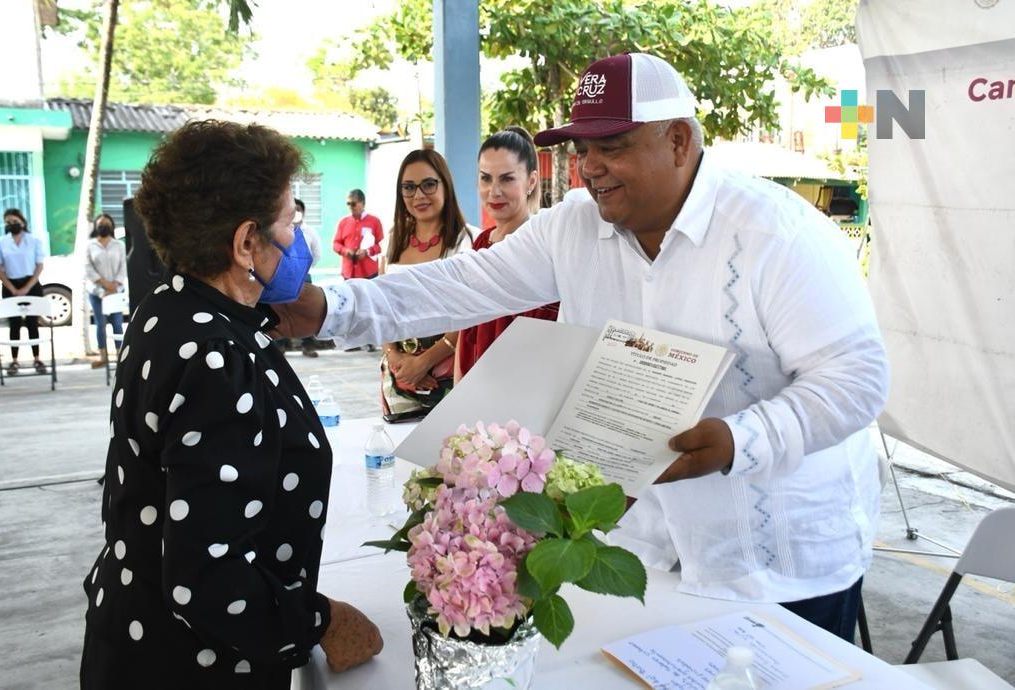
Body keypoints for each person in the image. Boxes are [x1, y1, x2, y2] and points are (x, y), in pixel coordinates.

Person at [271, 53, 889, 643]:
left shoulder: (776, 235)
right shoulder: (576, 225)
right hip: (640, 547)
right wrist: (334, 309)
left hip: (774, 561)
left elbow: (855, 379)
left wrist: (739, 441)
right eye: (581, 149)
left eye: (612, 147)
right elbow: (464, 284)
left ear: (678, 140)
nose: (588, 167)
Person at [79, 120, 382, 689]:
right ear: (246, 242)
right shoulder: (216, 358)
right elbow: (207, 579)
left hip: (136, 635)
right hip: (193, 665)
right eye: (291, 223)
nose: (300, 241)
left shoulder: (169, 308)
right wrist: (319, 622)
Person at [455, 126, 559, 382]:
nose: (494, 191)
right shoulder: (481, 241)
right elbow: (466, 328)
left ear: (531, 181)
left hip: (520, 391)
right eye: (485, 178)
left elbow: (547, 340)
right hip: (472, 390)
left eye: (507, 178)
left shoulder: (542, 247)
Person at [377, 149, 474, 422]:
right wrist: (394, 356)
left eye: (429, 184)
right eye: (408, 187)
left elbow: (470, 314)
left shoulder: (465, 241)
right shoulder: (394, 238)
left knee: (448, 454)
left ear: (445, 184)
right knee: (397, 453)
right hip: (398, 376)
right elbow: (381, 306)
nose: (418, 195)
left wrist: (424, 362)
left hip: (447, 372)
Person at [0, 208, 48, 375]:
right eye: (8, 223)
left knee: (32, 323)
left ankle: (37, 359)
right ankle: (14, 361)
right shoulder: (0, 242)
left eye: (15, 222)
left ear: (23, 223)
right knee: (14, 325)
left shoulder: (34, 241)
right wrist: (12, 288)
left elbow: (39, 266)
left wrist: (26, 288)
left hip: (30, 284)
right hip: (10, 285)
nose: (12, 225)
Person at [332, 189, 383, 352]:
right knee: (351, 307)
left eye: (353, 203)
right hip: (349, 272)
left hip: (368, 271)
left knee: (367, 307)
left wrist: (367, 252)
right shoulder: (343, 222)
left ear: (362, 203)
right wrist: (345, 251)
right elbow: (335, 244)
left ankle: (369, 340)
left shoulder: (374, 222)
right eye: (348, 204)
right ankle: (351, 341)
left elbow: (381, 245)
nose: (351, 207)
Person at [85, 213, 127, 369]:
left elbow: (123, 267)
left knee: (117, 323)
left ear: (112, 226)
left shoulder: (119, 245)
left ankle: (120, 356)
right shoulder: (90, 245)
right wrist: (104, 284)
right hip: (96, 291)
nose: (104, 226)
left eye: (107, 224)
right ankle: (103, 357)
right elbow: (88, 268)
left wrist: (114, 285)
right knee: (100, 323)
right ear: (96, 226)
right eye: (101, 224)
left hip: (115, 291)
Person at [294, 198, 322, 358]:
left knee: (306, 311)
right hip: (284, 278)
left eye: (298, 209)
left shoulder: (309, 232)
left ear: (303, 212)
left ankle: (308, 345)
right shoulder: (282, 230)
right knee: (279, 309)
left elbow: (317, 255)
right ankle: (280, 346)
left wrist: (305, 269)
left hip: (304, 277)